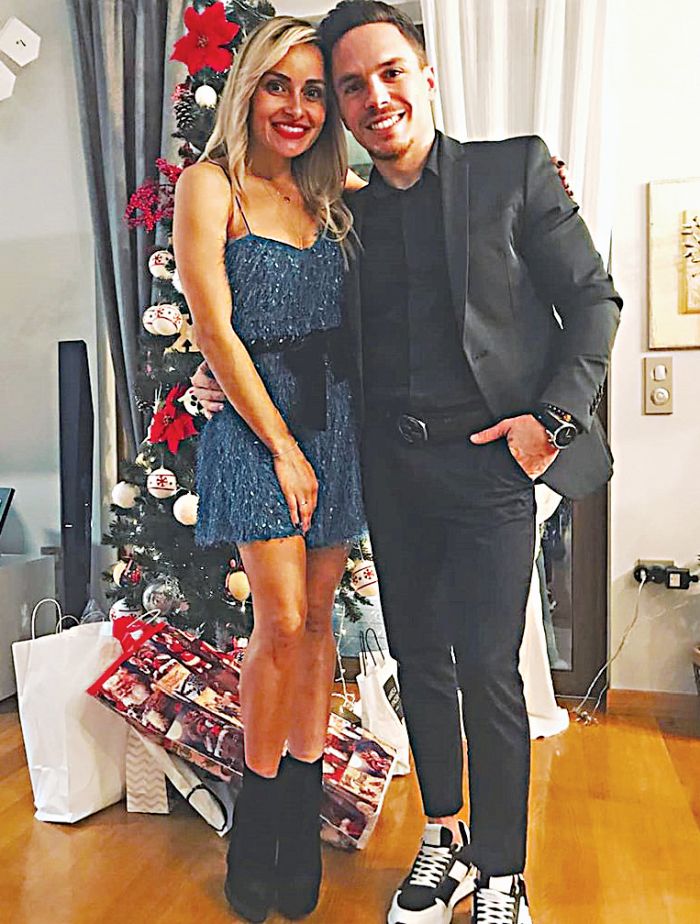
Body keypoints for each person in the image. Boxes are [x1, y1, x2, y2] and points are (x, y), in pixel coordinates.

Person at [192, 3, 622, 922]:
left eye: (387, 73)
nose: (373, 97)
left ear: (425, 74)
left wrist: (552, 420)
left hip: (492, 469)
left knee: (490, 671)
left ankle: (501, 872)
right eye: (351, 86)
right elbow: (283, 311)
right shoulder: (342, 210)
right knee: (419, 661)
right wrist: (216, 372)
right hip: (387, 467)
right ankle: (442, 838)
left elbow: (593, 299)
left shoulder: (513, 169)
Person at [172, 16, 366, 923]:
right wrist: (281, 444)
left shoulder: (335, 195)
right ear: (248, 89)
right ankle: (258, 823)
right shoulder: (210, 185)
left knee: (319, 622)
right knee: (281, 621)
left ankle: (299, 814)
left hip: (338, 418)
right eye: (278, 85)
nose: (296, 106)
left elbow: (435, 193)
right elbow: (213, 326)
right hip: (257, 425)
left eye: (314, 91)